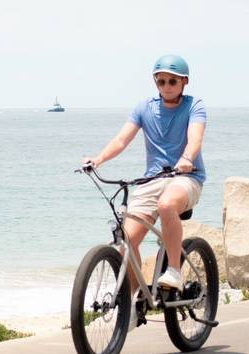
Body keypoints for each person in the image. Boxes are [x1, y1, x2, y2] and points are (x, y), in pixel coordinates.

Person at [83, 54, 206, 327]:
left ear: (184, 82)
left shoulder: (194, 106)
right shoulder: (144, 108)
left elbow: (195, 138)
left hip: (186, 177)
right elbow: (122, 139)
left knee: (166, 206)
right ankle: (134, 300)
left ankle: (173, 270)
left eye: (172, 81)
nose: (166, 86)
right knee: (127, 240)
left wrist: (186, 159)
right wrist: (98, 159)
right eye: (161, 81)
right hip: (152, 180)